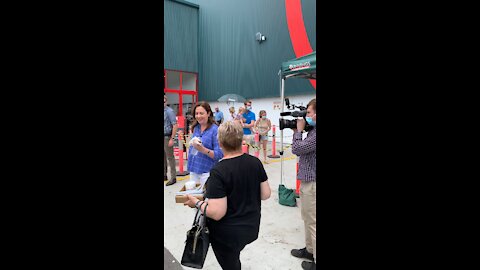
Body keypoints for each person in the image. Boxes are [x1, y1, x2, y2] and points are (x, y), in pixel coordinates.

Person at [184, 121, 272, 270]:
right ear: (241, 140)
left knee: (230, 264)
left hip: (226, 235)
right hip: (250, 228)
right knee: (234, 258)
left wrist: (196, 203)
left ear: (220, 142)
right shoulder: (255, 162)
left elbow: (217, 213)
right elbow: (265, 194)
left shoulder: (218, 171)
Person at [290, 98, 317, 270]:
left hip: (313, 182)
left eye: (308, 112)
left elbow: (297, 149)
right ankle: (310, 250)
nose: (305, 116)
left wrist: (298, 132)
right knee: (307, 218)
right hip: (308, 181)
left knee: (313, 221)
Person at [187, 102, 224, 186]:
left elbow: (219, 154)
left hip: (207, 172)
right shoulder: (196, 128)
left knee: (207, 198)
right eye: (196, 113)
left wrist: (203, 150)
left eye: (201, 113)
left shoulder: (215, 130)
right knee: (194, 197)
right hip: (194, 169)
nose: (198, 116)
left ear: (208, 113)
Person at [164, 94, 178, 186]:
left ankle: (173, 177)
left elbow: (175, 125)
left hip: (167, 137)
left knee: (170, 157)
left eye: (164, 100)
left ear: (166, 101)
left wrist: (172, 138)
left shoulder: (169, 111)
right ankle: (164, 175)